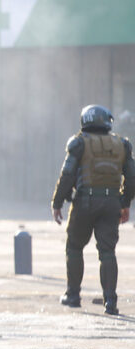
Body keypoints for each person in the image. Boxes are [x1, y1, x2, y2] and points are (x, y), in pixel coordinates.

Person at [51, 104, 135, 315]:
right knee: (107, 252)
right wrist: (125, 202)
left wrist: (57, 202)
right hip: (111, 204)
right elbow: (132, 176)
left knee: (74, 247)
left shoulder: (78, 143)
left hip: (84, 203)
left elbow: (67, 174)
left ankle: (73, 296)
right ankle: (110, 302)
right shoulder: (122, 145)